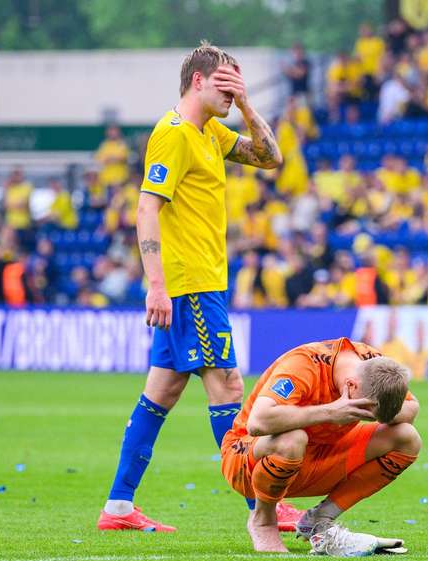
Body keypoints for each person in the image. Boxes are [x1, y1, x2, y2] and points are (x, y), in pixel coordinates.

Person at [98, 41, 287, 533]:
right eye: (225, 84)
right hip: (191, 286)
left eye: (237, 85)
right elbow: (146, 207)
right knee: (227, 386)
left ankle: (118, 507)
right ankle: (260, 508)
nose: (232, 93)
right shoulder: (175, 133)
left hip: (202, 283)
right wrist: (155, 286)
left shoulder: (212, 135)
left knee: (160, 392)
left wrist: (245, 104)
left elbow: (271, 157)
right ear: (198, 81)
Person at [221, 337, 421, 554]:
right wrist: (331, 411)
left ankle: (319, 519)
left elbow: (411, 408)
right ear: (351, 385)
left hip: (315, 459)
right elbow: (258, 422)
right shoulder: (303, 364)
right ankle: (263, 521)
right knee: (293, 439)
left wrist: (371, 412)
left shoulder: (375, 366)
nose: (361, 416)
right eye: (360, 410)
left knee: (406, 436)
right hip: (247, 461)